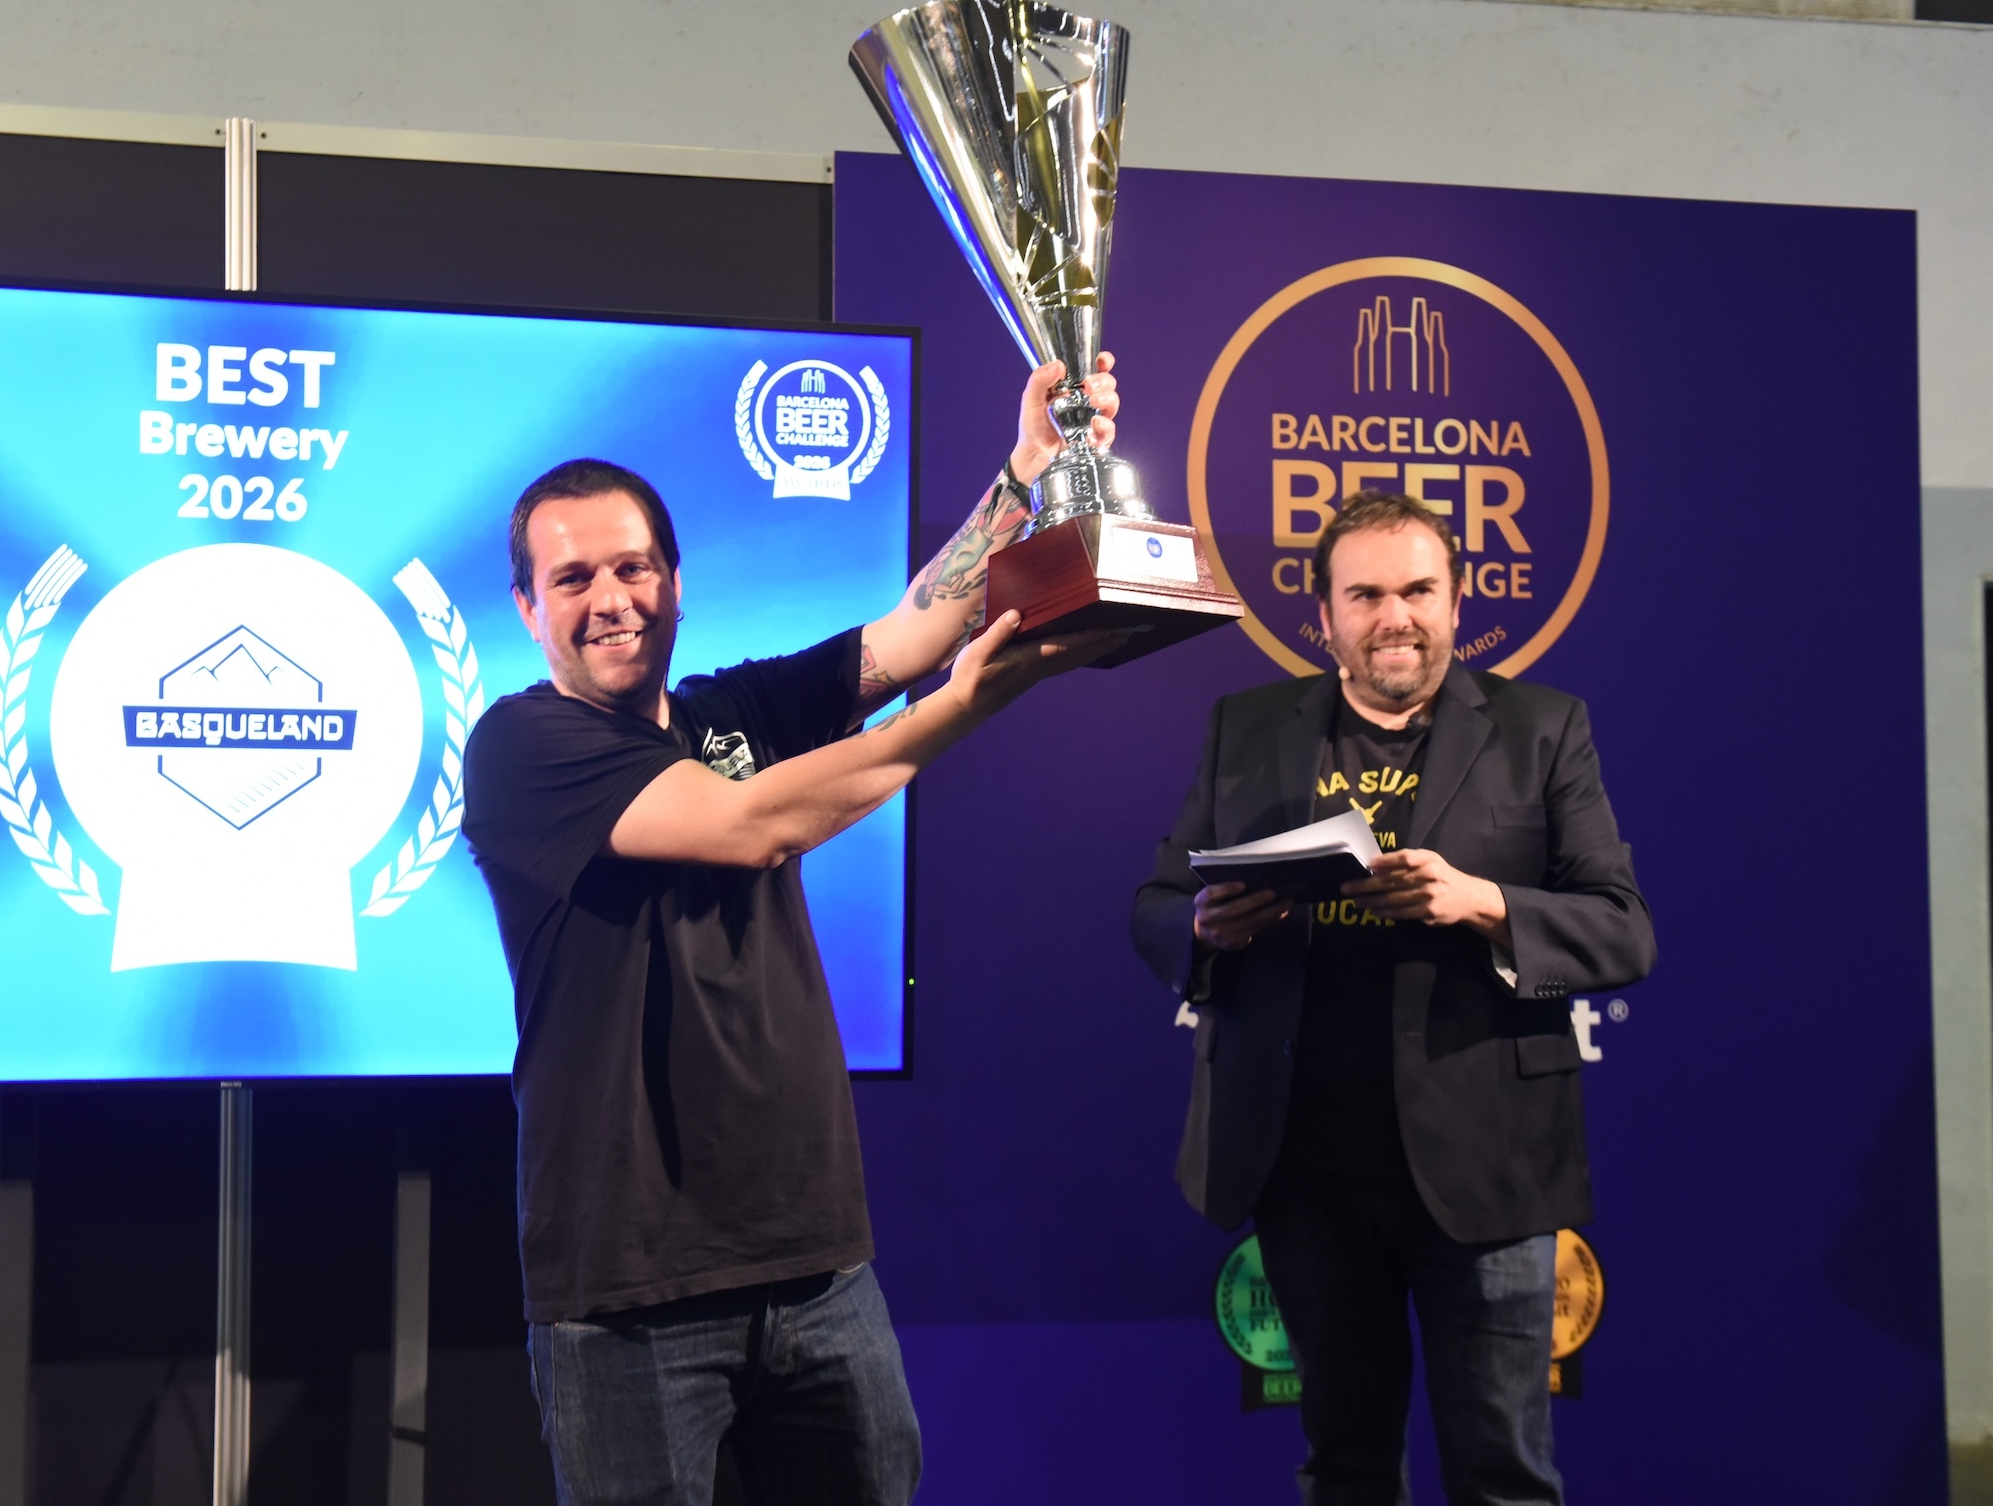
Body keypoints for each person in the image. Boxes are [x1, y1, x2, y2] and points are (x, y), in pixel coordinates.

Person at [463, 357, 1131, 1506]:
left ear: (677, 582)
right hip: (628, 1287)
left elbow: (913, 631)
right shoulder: (520, 747)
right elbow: (749, 824)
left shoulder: (733, 710)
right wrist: (964, 705)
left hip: (815, 1261)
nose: (610, 597)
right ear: (528, 608)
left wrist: (1026, 466)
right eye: (572, 577)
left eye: (633, 566)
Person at [1130, 489, 1655, 1505]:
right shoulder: (1245, 725)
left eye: (1417, 589)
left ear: (1457, 601)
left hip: (1490, 1175)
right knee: (1346, 1467)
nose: (1394, 617)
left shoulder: (1544, 728)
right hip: (1304, 1172)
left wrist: (1480, 901)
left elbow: (1623, 927)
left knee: (1503, 1475)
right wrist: (1202, 925)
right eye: (1364, 595)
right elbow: (1155, 902)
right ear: (1322, 617)